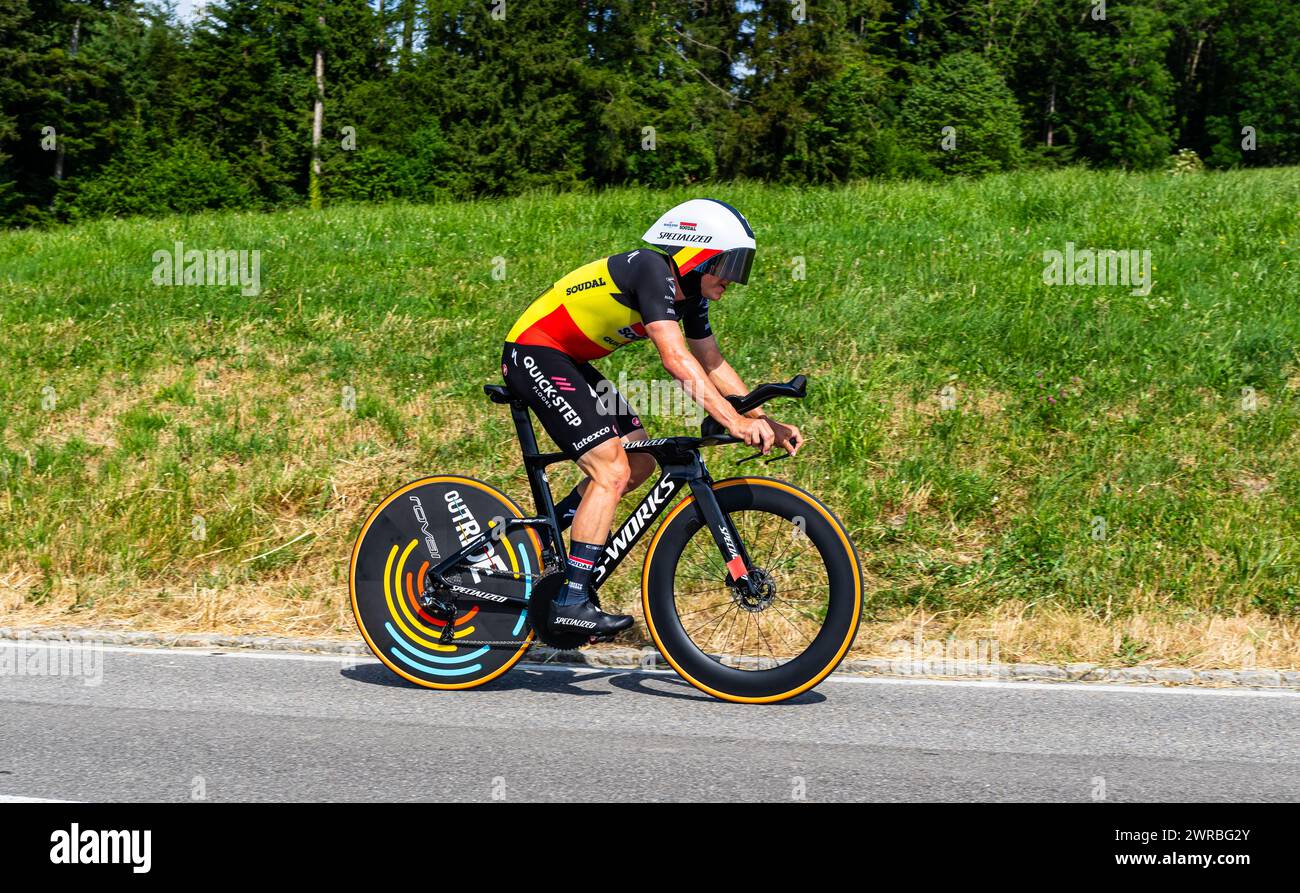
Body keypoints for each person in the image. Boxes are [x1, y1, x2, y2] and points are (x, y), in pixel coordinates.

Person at [500, 198, 803, 638]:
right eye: (728, 265)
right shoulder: (650, 269)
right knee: (611, 468)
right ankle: (571, 600)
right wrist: (734, 424)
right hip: (534, 351)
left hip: (569, 361)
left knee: (639, 462)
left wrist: (762, 418)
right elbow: (676, 358)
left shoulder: (689, 298)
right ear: (697, 255)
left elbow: (712, 362)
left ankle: (544, 537)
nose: (733, 279)